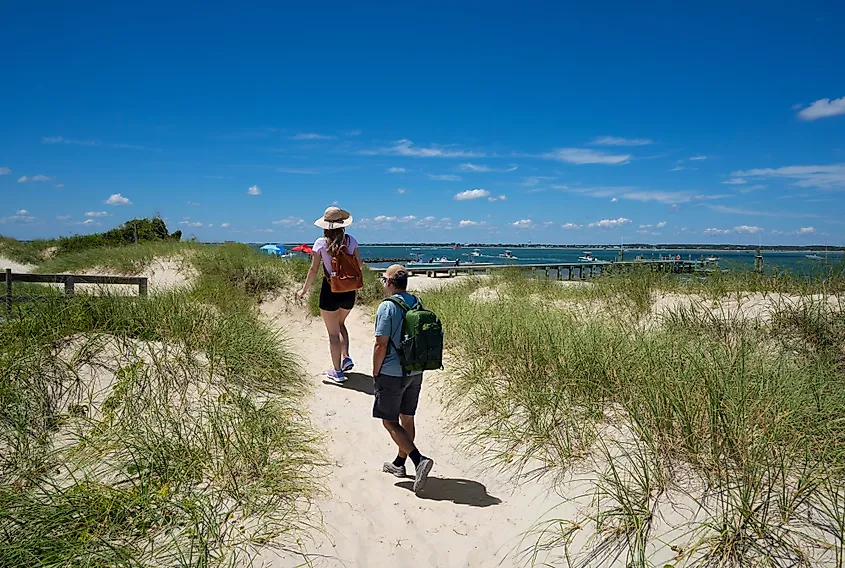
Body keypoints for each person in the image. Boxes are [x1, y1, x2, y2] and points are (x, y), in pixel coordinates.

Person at [372, 264, 434, 495]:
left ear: (390, 282)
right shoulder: (416, 302)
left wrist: (375, 371)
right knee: (407, 417)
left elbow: (380, 344)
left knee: (389, 422)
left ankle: (418, 460)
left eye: (384, 279)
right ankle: (399, 463)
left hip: (392, 372)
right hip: (415, 370)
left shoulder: (387, 307)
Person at [296, 206, 364, 383]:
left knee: (333, 333)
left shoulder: (320, 243)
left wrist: (304, 290)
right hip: (348, 290)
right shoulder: (351, 241)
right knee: (341, 324)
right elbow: (359, 265)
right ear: (343, 225)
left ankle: (338, 372)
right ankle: (346, 357)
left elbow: (313, 270)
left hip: (330, 290)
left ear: (325, 227)